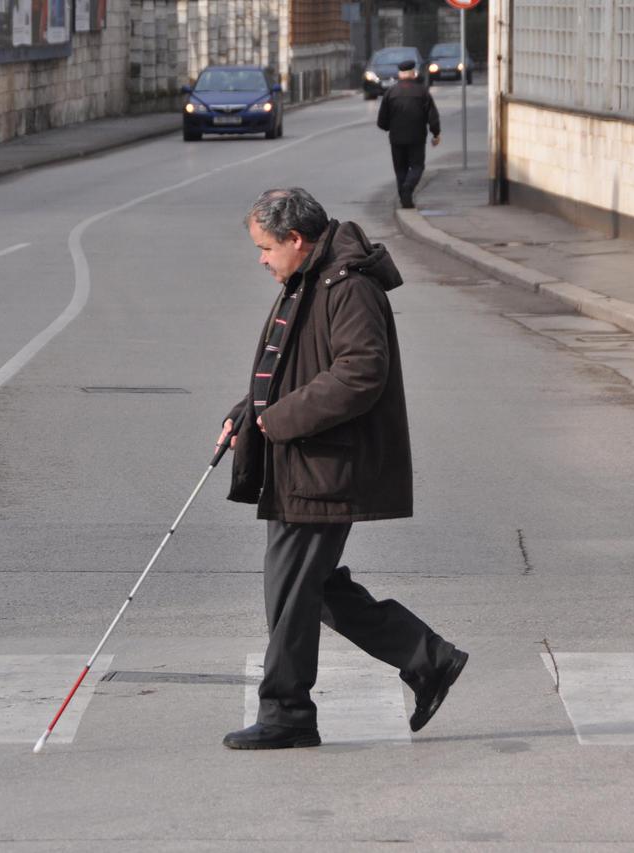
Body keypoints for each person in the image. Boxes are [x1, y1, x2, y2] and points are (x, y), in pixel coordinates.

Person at [217, 187, 467, 749]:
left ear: (296, 239)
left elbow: (360, 373)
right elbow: (293, 366)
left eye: (265, 248)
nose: (261, 259)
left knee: (289, 588)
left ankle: (287, 715)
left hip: (324, 464)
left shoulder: (347, 286)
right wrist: (247, 412)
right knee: (316, 586)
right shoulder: (308, 278)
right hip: (305, 459)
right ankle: (427, 658)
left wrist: (278, 420)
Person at [377, 59, 440, 209]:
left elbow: (382, 121)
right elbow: (432, 116)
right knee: (417, 166)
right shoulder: (422, 92)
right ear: (413, 73)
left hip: (396, 138)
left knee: (400, 169)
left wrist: (389, 127)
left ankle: (404, 198)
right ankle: (408, 188)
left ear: (400, 74)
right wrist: (436, 133)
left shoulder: (391, 92)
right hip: (417, 138)